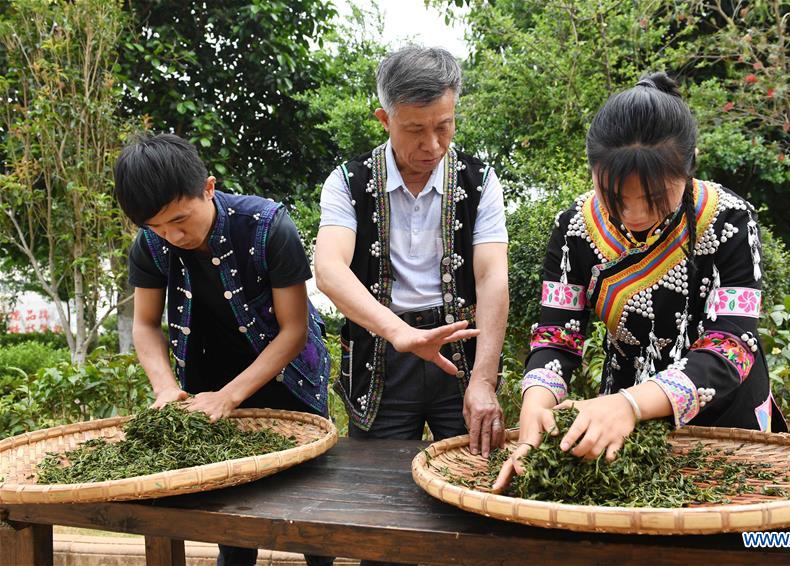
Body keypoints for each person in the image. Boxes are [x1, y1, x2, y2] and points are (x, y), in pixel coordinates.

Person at [495, 72, 786, 490]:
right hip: (619, 422)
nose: (634, 215)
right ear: (592, 169)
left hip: (725, 418)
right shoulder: (574, 230)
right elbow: (556, 336)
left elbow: (734, 345)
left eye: (654, 198)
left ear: (689, 167)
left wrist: (632, 404)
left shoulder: (730, 220)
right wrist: (537, 402)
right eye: (614, 197)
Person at [114, 133, 333, 566]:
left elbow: (293, 331)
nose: (171, 235)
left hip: (287, 377)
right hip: (207, 380)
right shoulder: (150, 246)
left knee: (310, 517)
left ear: (209, 188)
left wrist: (231, 396)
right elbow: (144, 324)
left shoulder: (269, 226)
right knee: (231, 522)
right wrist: (164, 388)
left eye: (179, 219)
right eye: (155, 227)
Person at [315, 46, 509, 457]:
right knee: (375, 486)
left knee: (472, 472)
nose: (433, 144)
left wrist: (484, 380)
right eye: (415, 129)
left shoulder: (481, 182)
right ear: (385, 120)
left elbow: (491, 277)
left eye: (444, 126)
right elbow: (329, 269)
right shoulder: (346, 182)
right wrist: (402, 334)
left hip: (461, 351)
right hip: (382, 354)